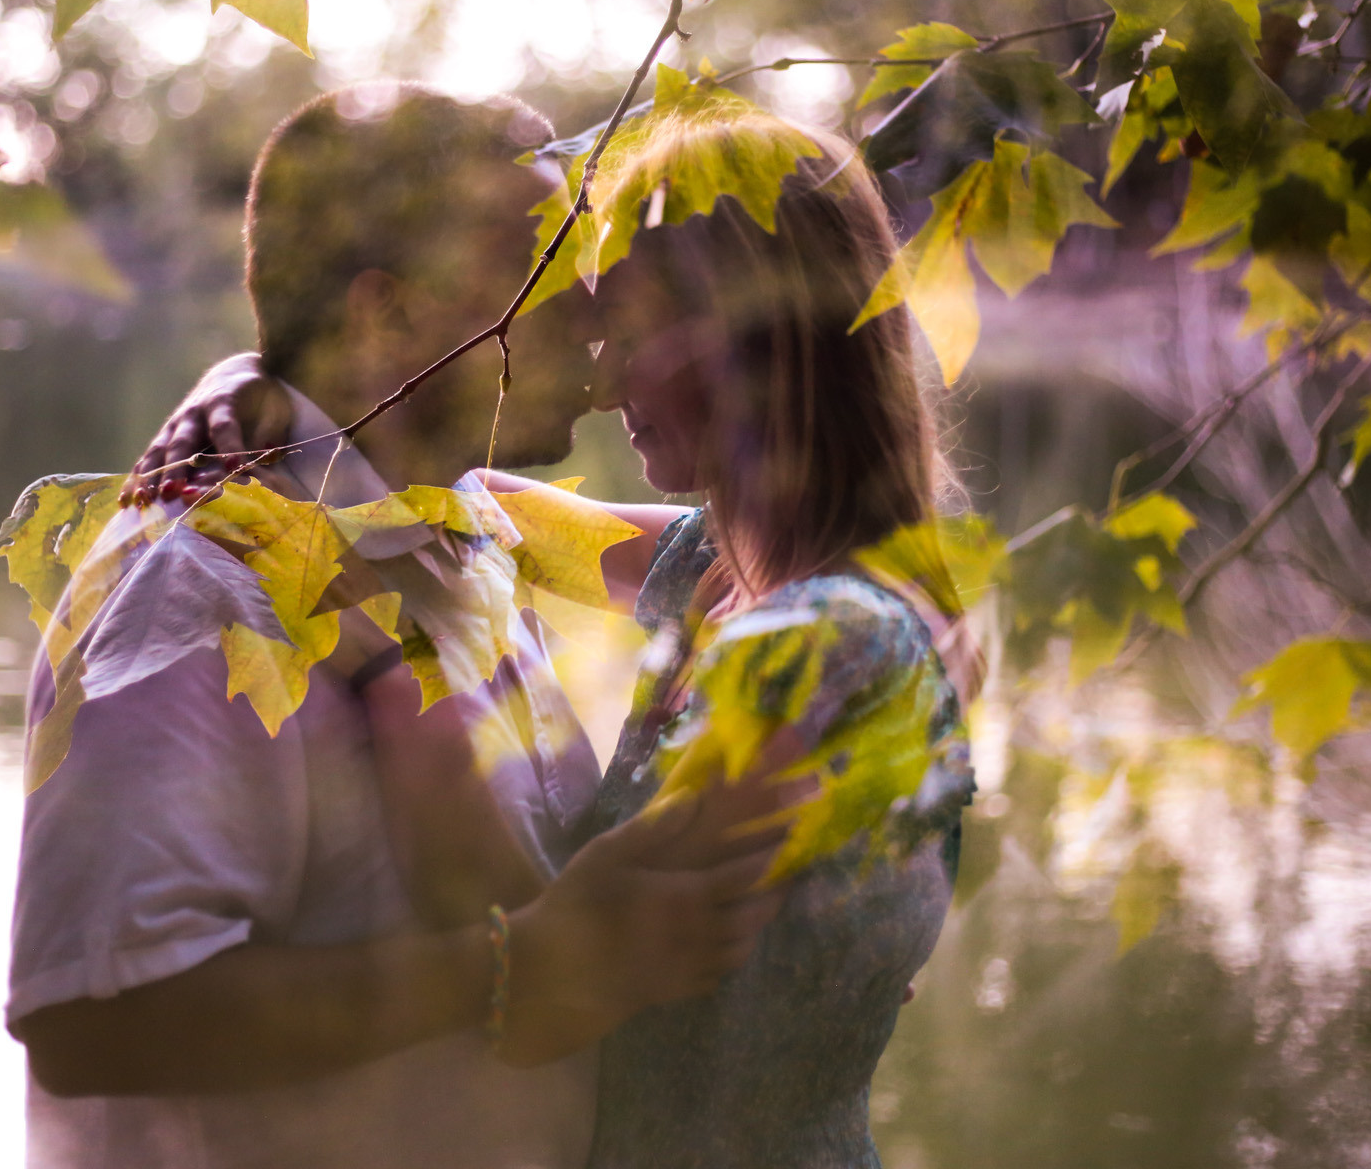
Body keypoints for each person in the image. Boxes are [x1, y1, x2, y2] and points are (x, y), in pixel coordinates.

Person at [140, 104, 980, 1168]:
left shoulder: (826, 653)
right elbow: (480, 497)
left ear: (749, 334)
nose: (599, 374)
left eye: (628, 328)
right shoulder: (721, 575)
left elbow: (545, 991)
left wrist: (403, 663)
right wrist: (255, 387)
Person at [4, 84, 800, 1169]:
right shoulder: (195, 593)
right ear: (389, 314)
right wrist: (516, 969)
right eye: (550, 283)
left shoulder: (437, 510)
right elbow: (95, 1019)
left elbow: (719, 549)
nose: (600, 320)